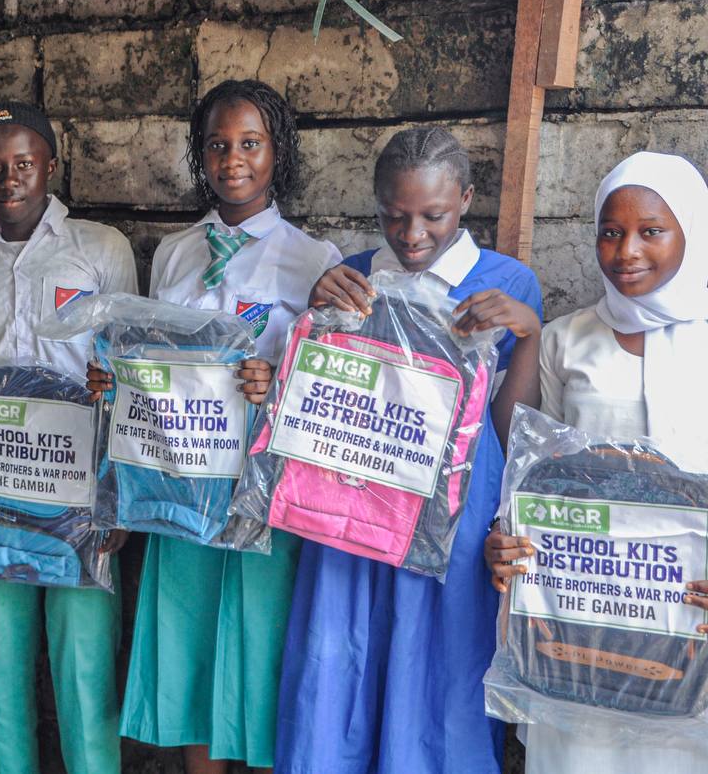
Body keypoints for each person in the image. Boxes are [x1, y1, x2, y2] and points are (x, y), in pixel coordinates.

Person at [275, 126, 543, 774]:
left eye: (434, 216)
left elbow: (509, 430)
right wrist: (316, 315)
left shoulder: (506, 283)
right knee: (336, 667)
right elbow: (310, 404)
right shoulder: (355, 274)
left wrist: (530, 335)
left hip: (452, 523)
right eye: (395, 216)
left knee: (439, 684)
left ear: (467, 201)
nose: (413, 234)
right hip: (351, 512)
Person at [96, 79, 341, 773]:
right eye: (218, 145)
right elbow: (151, 359)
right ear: (200, 155)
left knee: (260, 649)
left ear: (277, 152)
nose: (233, 159)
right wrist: (117, 379)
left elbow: (328, 385)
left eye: (250, 143)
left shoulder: (314, 259)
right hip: (179, 482)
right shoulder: (175, 253)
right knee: (189, 649)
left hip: (263, 491)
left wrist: (277, 382)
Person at [0, 100, 138, 774]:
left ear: (51, 164)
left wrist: (120, 495)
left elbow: (130, 375)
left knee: (84, 666)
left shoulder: (100, 249)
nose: (8, 176)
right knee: (3, 668)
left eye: (23, 161)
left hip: (80, 492)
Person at [485, 151, 708, 774]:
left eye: (651, 231)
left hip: (689, 617)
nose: (627, 251)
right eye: (610, 232)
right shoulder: (565, 339)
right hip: (582, 619)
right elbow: (534, 474)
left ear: (693, 231)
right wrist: (506, 539)